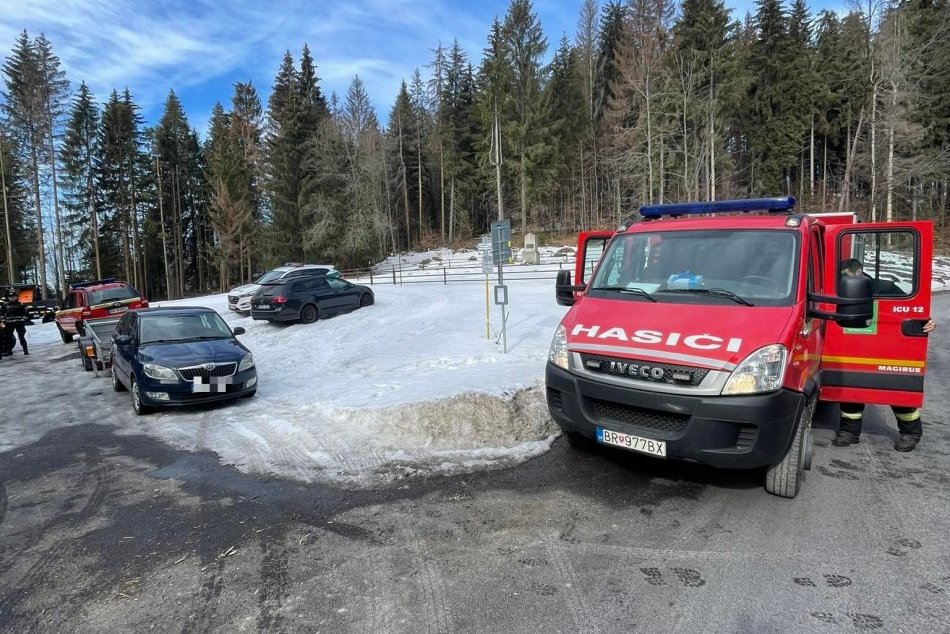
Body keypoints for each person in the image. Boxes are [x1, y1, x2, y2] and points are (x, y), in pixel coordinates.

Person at [833, 258, 935, 452]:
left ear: (860, 273)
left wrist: (928, 321)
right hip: (852, 345)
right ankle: (849, 432)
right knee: (851, 390)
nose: (846, 283)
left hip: (888, 347)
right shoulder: (837, 288)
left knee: (897, 389)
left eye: (849, 277)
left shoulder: (884, 287)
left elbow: (914, 307)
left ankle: (910, 433)